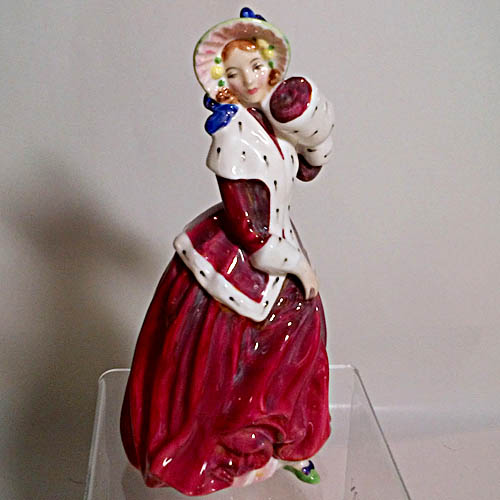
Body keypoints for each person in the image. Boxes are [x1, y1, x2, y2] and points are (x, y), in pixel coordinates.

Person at [120, 7, 335, 496]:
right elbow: (253, 236)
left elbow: (305, 170)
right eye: (235, 74)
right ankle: (233, 452)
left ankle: (281, 444)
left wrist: (316, 135)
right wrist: (299, 266)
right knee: (230, 362)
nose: (250, 80)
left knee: (296, 345)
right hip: (249, 259)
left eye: (256, 66)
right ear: (224, 85)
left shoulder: (273, 119)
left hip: (279, 244)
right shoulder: (234, 139)